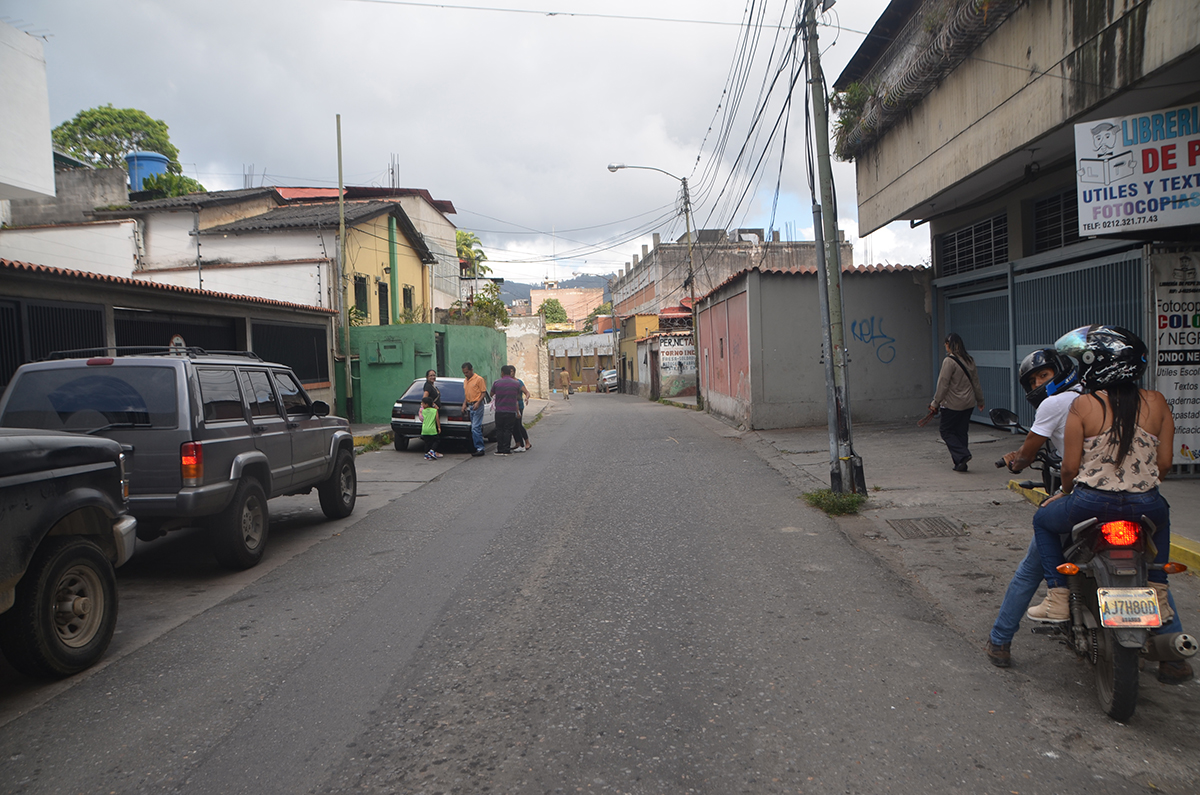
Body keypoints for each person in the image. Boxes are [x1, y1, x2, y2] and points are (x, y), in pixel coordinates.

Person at [1026, 325, 1191, 683]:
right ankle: (1159, 593)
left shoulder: (1083, 404)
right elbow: (1164, 465)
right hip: (1147, 504)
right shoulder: (1158, 403)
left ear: (1093, 365)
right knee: (1161, 523)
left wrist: (1066, 491)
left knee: (1043, 521)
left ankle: (1057, 594)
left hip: (1090, 504)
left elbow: (1069, 468)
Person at [986, 348, 1082, 667]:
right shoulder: (1099, 397)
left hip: (1083, 494)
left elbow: (1037, 455)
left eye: (1044, 374)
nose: (1039, 382)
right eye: (1034, 380)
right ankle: (1170, 645)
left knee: (1031, 565)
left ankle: (1000, 640)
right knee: (1150, 566)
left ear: (1062, 370)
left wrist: (1018, 463)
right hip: (1130, 493)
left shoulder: (1055, 404)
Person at [930, 332, 985, 471]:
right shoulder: (970, 360)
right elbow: (976, 382)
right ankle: (960, 463)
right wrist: (980, 400)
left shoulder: (949, 361)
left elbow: (943, 384)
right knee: (961, 432)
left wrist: (935, 403)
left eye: (946, 344)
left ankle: (962, 455)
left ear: (950, 345)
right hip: (968, 404)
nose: (945, 346)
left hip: (952, 404)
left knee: (946, 431)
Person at [491, 365, 523, 456]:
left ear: (502, 372)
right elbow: (517, 395)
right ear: (510, 372)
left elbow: (492, 393)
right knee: (508, 430)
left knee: (499, 430)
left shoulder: (496, 383)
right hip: (511, 410)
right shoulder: (516, 383)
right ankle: (506, 449)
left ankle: (500, 449)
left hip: (500, 410)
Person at [461, 362, 488, 457]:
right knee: (474, 427)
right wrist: (464, 404)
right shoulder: (465, 381)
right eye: (464, 372)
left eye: (467, 372)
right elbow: (467, 394)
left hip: (477, 405)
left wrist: (478, 402)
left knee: (475, 427)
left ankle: (480, 448)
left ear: (472, 370)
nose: (466, 374)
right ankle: (475, 446)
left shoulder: (479, 379)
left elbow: (483, 392)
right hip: (470, 405)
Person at [511, 367, 532, 452]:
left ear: (514, 372)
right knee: (513, 426)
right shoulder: (508, 382)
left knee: (518, 425)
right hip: (511, 406)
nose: (510, 373)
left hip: (519, 406)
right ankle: (518, 443)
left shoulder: (518, 382)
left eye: (511, 371)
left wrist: (526, 398)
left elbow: (527, 392)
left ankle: (527, 442)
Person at [420, 395, 442, 460]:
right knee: (437, 440)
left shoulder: (423, 411)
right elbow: (437, 419)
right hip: (432, 429)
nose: (422, 405)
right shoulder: (434, 411)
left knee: (427, 442)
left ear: (426, 404)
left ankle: (426, 454)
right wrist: (439, 427)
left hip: (424, 429)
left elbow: (422, 417)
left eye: (423, 403)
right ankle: (432, 451)